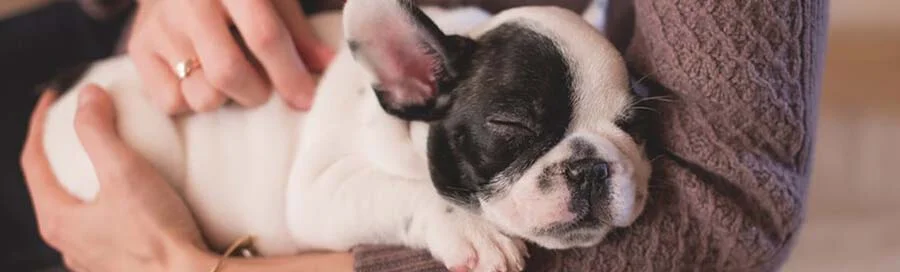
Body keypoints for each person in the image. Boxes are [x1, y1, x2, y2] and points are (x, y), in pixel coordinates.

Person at [15, 0, 828, 271]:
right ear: (410, 81)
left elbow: (723, 215)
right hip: (129, 121)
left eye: (626, 131)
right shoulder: (404, 90)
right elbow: (318, 198)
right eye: (515, 133)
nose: (586, 170)